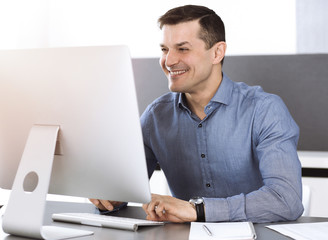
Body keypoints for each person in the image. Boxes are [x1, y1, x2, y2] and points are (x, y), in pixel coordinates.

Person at [90, 4, 304, 223]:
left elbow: (287, 200)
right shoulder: (156, 116)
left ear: (217, 52)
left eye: (183, 49)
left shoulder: (264, 109)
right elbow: (124, 186)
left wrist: (199, 210)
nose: (169, 61)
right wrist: (111, 197)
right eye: (165, 49)